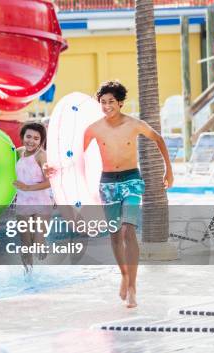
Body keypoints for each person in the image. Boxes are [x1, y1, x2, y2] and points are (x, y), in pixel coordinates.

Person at [47, 81, 173, 308]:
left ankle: (133, 286)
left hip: (131, 180)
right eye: (103, 102)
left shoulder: (134, 124)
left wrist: (169, 170)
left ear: (121, 103)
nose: (106, 106)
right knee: (114, 234)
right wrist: (55, 171)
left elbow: (159, 140)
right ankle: (124, 275)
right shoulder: (94, 128)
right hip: (108, 183)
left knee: (129, 230)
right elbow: (75, 158)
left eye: (111, 102)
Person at [13, 121, 52, 274]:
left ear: (41, 141)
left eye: (36, 138)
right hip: (23, 202)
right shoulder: (18, 152)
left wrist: (29, 187)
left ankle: (41, 242)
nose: (31, 141)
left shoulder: (42, 156)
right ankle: (28, 275)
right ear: (23, 137)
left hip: (41, 202)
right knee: (25, 243)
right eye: (28, 137)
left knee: (37, 241)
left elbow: (49, 181)